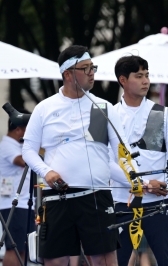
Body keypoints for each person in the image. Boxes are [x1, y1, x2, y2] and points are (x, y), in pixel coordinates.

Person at [22, 45, 129, 266]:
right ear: (67, 74)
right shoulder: (44, 108)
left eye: (93, 67)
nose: (92, 73)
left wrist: (140, 182)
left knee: (106, 261)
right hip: (58, 198)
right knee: (56, 262)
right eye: (85, 68)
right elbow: (28, 151)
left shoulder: (104, 107)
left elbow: (123, 156)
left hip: (97, 197)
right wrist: (47, 172)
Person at [111, 55, 168, 266]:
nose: (146, 81)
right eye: (139, 76)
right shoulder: (108, 114)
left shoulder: (164, 114)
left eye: (147, 75)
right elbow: (104, 164)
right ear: (123, 80)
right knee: (115, 262)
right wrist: (143, 185)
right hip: (122, 202)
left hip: (159, 203)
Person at [0, 117, 34, 266]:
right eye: (29, 129)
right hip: (13, 203)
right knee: (14, 247)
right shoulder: (7, 145)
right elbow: (22, 161)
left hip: (22, 203)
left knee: (23, 247)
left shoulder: (17, 145)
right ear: (18, 129)